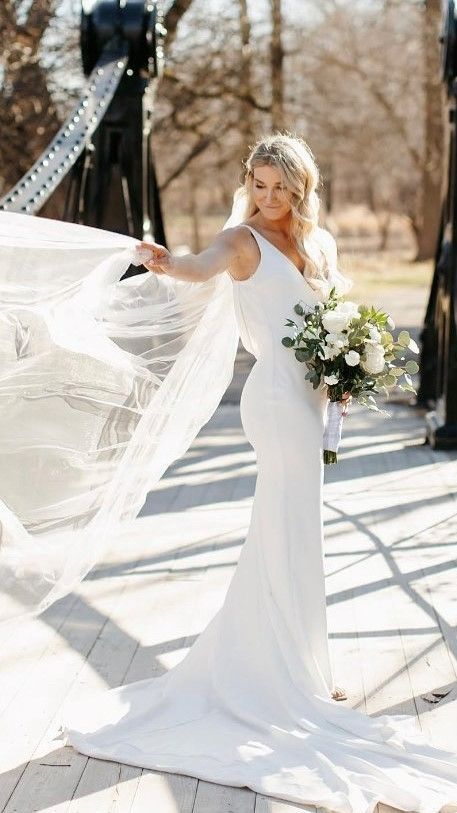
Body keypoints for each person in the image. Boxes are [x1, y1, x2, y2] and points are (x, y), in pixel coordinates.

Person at [58, 135, 457, 812]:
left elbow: (323, 317)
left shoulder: (320, 243)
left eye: (282, 187)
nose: (270, 197)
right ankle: (278, 677)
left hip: (305, 400)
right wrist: (166, 261)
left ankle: (300, 668)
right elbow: (198, 265)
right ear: (249, 182)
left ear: (303, 188)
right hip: (273, 401)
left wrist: (344, 370)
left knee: (296, 532)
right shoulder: (240, 240)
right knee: (285, 527)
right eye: (261, 184)